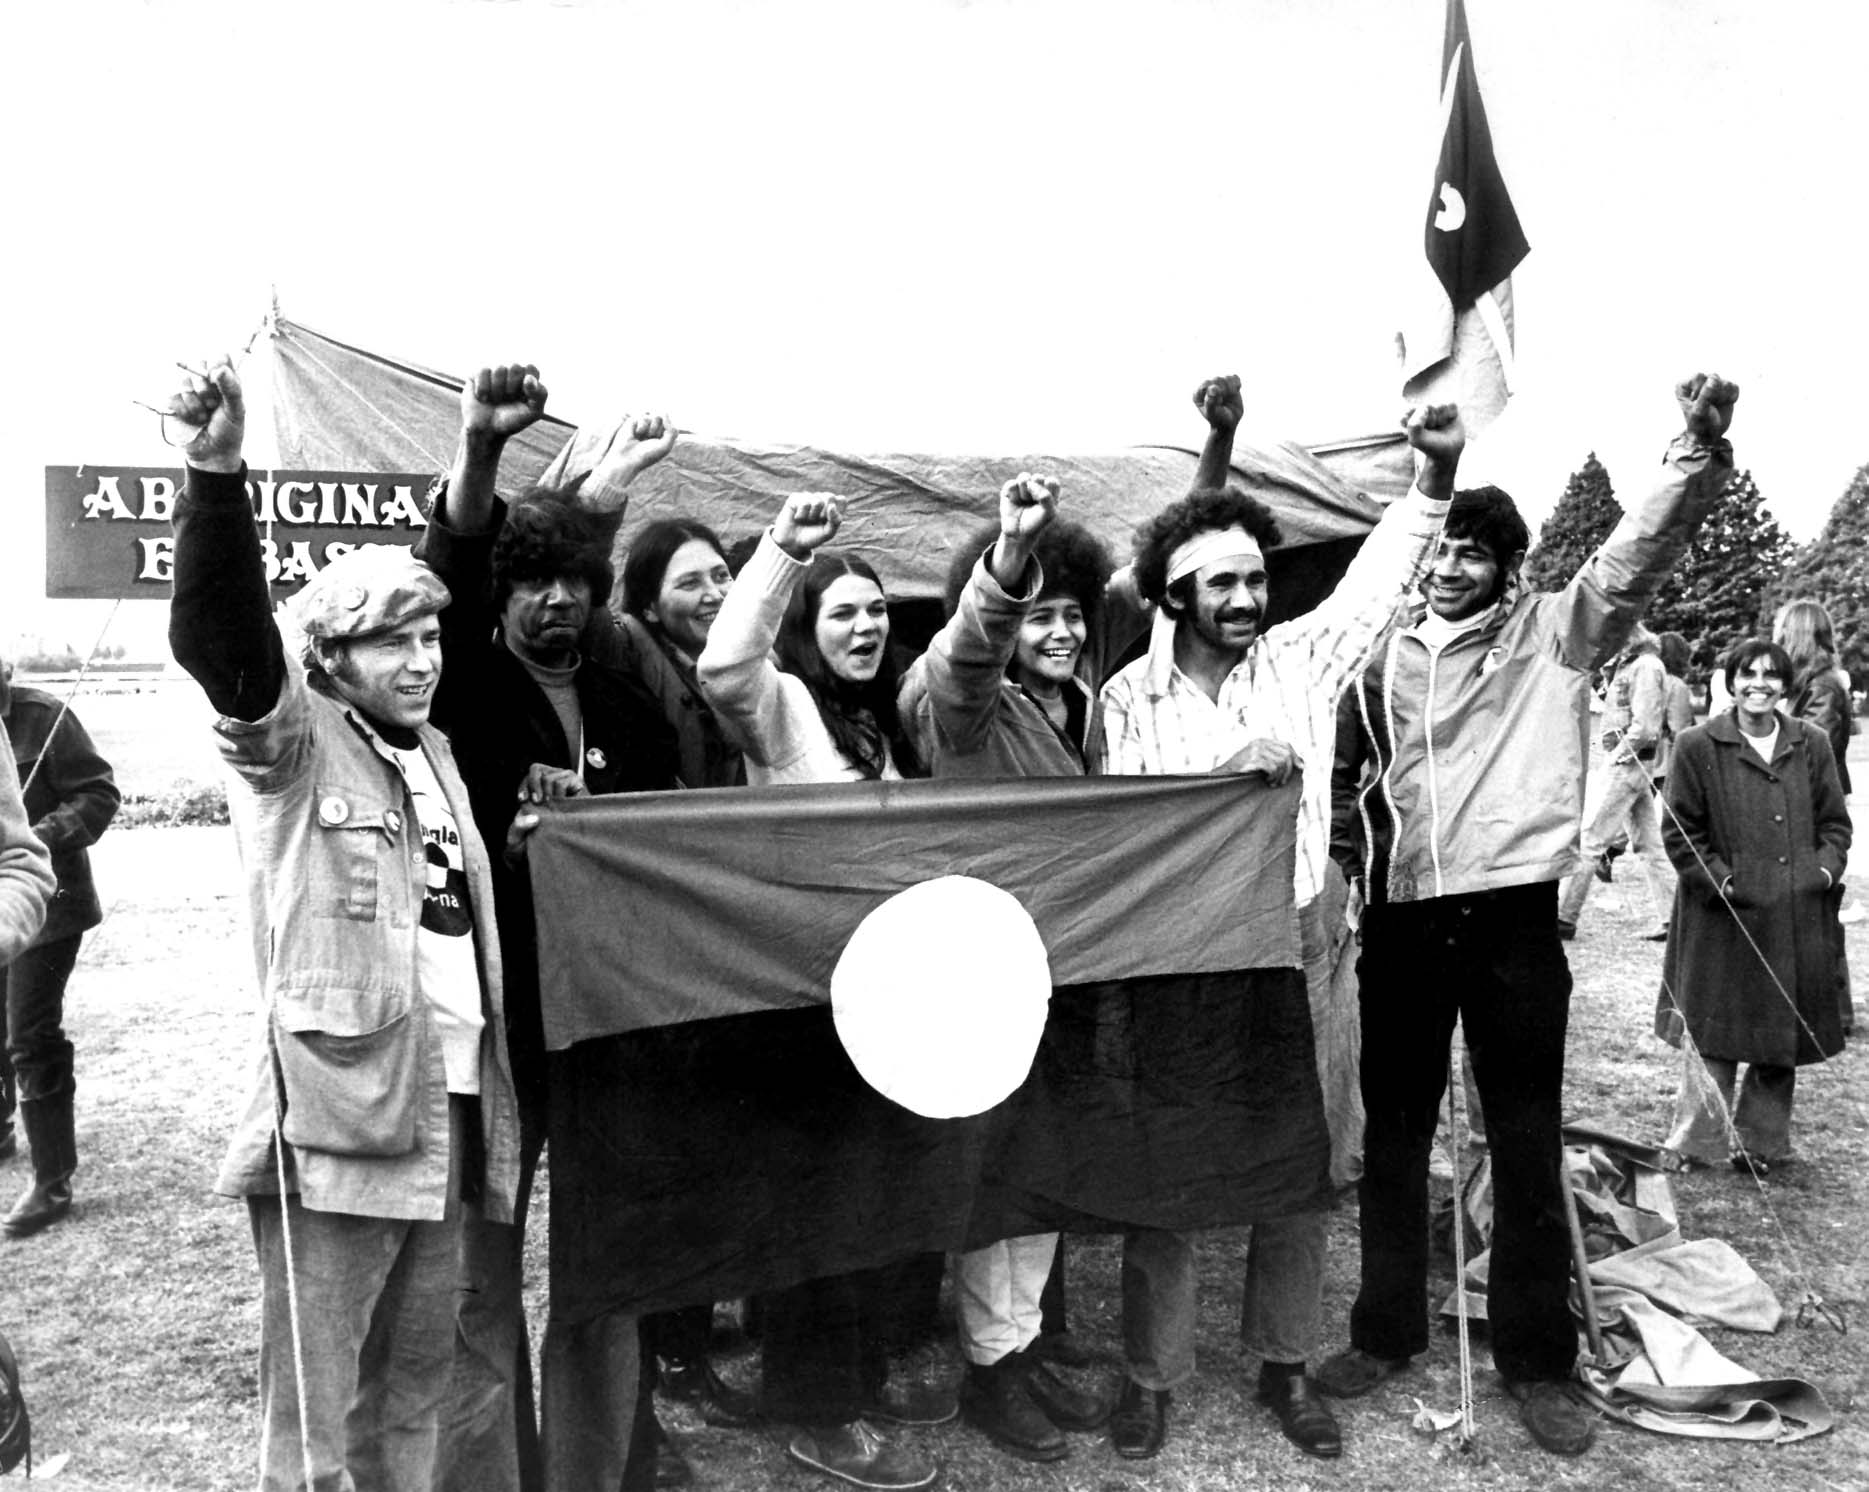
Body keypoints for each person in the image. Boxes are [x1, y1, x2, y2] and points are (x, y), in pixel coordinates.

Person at [1322, 372, 1739, 1458]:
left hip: (1510, 920)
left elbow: (1633, 556)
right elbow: (1343, 788)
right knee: (1397, 1136)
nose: (1451, 563)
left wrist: (1694, 450)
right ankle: (1385, 1330)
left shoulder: (1554, 633)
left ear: (1508, 569)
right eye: (1442, 546)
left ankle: (1538, 1360)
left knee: (1522, 1138)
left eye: (1474, 550)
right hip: (1403, 923)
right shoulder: (1376, 655)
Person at [163, 357, 523, 1492]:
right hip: (338, 1124)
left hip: (454, 1104)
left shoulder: (437, 750)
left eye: (430, 640)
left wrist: (479, 450)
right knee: (319, 1421)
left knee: (415, 1394)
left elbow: (452, 562)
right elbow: (225, 637)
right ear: (330, 658)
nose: (420, 660)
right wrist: (216, 476)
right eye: (390, 643)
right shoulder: (293, 742)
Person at [1095, 381, 1461, 1462]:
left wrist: (1434, 475)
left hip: (1295, 937)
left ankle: (1287, 1363)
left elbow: (1381, 582)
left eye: (1257, 575)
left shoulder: (1304, 660)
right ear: (1174, 595)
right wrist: (1228, 776)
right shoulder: (1125, 701)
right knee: (1165, 1171)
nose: (1248, 595)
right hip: (1180, 956)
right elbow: (1129, 840)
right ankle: (1151, 1377)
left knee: (1299, 1165)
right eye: (1223, 582)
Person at [416, 365, 683, 1492]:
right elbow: (458, 556)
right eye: (531, 582)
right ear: (501, 596)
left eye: (573, 580)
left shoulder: (628, 705)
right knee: (481, 1281)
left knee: (605, 1272)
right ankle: (488, 1476)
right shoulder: (462, 691)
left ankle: (597, 1469)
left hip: (604, 1027)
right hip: (493, 1028)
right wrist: (479, 448)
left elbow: (670, 857)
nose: (555, 601)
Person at [697, 492, 942, 1492]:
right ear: (807, 627)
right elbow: (722, 665)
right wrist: (782, 556)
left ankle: (853, 1375)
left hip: (880, 994)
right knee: (822, 1209)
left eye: (877, 610)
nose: (867, 625)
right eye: (842, 611)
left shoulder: (874, 722)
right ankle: (817, 1412)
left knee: (868, 1200)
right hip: (803, 996)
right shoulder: (787, 708)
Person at [896, 474, 1115, 1463]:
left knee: (1042, 1169)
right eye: (1044, 615)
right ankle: (989, 1367)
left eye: (1075, 614)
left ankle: (1020, 1348)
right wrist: (1012, 559)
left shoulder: (1075, 714)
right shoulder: (966, 705)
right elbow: (967, 654)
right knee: (996, 1177)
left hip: (1056, 972)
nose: (1061, 631)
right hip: (980, 975)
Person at [1655, 638, 1849, 1175]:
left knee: (1778, 1030)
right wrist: (1723, 883)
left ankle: (1762, 1143)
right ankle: (1696, 1142)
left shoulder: (1810, 743)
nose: (1759, 684)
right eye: (1748, 674)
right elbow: (1680, 832)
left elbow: (1835, 824)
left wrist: (1820, 874)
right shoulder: (1697, 744)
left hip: (1793, 911)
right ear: (1730, 681)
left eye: (1770, 675)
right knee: (1713, 1030)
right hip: (1723, 912)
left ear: (1786, 686)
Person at [0, 662, 117, 1236]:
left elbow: (99, 794)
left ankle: (52, 1181)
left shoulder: (44, 716)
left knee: (29, 1035)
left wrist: (33, 841)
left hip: (48, 907)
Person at [1556, 626, 1675, 941]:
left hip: (1628, 764)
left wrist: (1617, 757)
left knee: (1589, 839)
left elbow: (1646, 727)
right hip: (1634, 763)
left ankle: (1563, 918)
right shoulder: (1630, 664)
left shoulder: (1646, 666)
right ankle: (1676, 918)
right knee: (1650, 845)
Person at [0, 722, 52, 982]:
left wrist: (45, 832)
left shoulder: (44, 713)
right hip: (26, 927)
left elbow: (100, 793)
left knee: (29, 1021)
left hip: (57, 912)